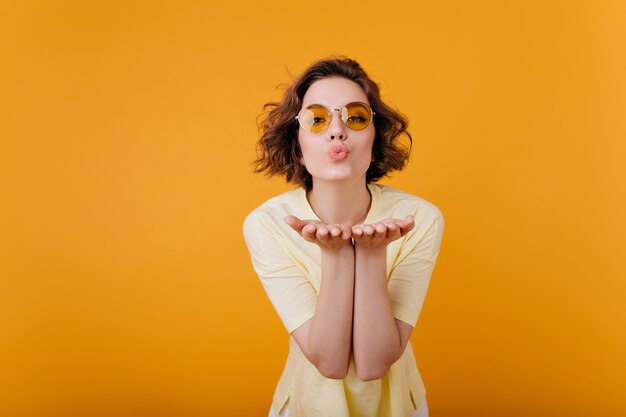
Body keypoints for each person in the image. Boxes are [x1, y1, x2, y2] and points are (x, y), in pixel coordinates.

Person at [243, 57, 444, 417]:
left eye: (355, 117)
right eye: (318, 119)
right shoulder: (268, 223)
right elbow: (330, 363)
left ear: (375, 137)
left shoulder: (419, 219)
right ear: (298, 143)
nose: (337, 131)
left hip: (400, 407)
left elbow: (373, 365)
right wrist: (336, 255)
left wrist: (370, 254)